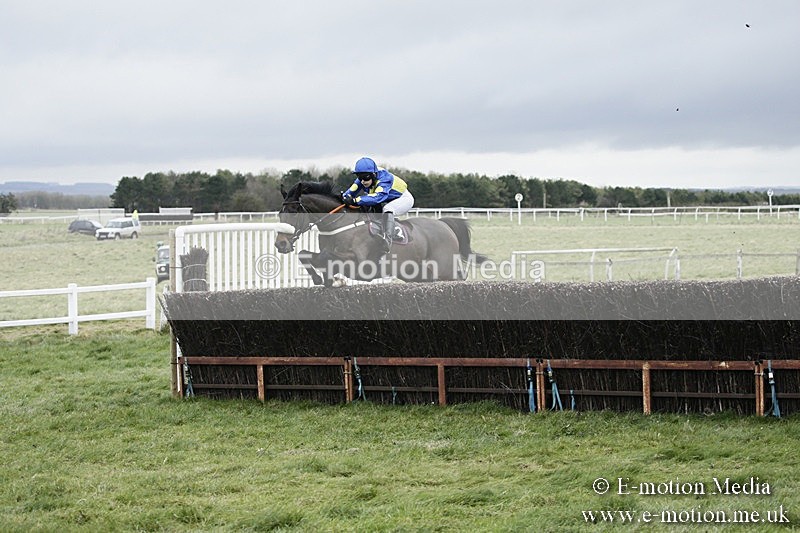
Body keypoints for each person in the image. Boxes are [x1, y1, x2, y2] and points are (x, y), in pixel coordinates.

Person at [341, 157, 414, 253]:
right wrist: (343, 198)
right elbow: (349, 193)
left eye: (366, 177)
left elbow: (378, 197)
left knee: (388, 208)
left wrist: (355, 200)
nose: (363, 181)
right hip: (387, 199)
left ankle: (388, 240)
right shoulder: (364, 178)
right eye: (360, 177)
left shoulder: (385, 179)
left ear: (374, 174)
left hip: (403, 199)